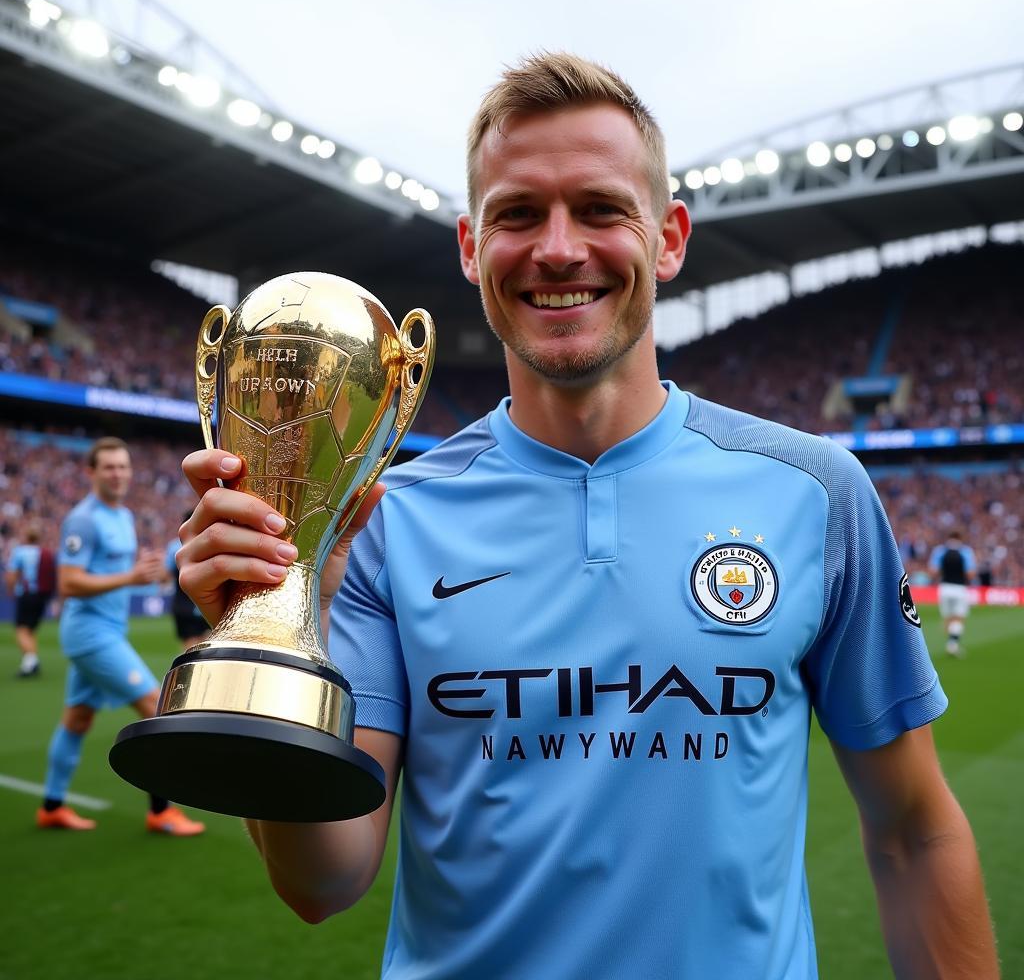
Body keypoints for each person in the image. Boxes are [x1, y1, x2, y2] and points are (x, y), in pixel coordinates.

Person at [175, 54, 998, 978]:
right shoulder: (380, 520)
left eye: (602, 209)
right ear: (470, 247)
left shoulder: (813, 493)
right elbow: (324, 881)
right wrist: (272, 636)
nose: (558, 249)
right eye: (517, 214)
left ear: (671, 237)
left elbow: (914, 834)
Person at [37, 436, 205, 836]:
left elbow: (112, 574)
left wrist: (145, 573)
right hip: (90, 634)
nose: (118, 473)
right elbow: (70, 583)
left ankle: (51, 806)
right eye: (109, 466)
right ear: (90, 472)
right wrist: (131, 576)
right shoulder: (83, 519)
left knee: (77, 720)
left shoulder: (125, 516)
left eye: (123, 466)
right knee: (155, 706)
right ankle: (161, 811)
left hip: (109, 630)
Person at [5, 522, 54, 677]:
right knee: (30, 629)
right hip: (42, 595)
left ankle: (30, 662)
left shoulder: (20, 552)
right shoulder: (44, 552)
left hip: (26, 594)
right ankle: (31, 661)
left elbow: (12, 574)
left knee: (21, 629)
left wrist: (11, 590)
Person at [164, 512, 209, 650]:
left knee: (191, 651)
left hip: (184, 606)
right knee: (209, 648)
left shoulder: (174, 547)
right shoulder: (208, 543)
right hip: (205, 605)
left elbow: (165, 575)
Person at [929, 530, 977, 657]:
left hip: (944, 587)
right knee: (958, 618)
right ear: (960, 538)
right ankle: (952, 644)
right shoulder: (965, 551)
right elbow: (970, 574)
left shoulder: (940, 551)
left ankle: (950, 643)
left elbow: (933, 571)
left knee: (948, 619)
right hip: (959, 588)